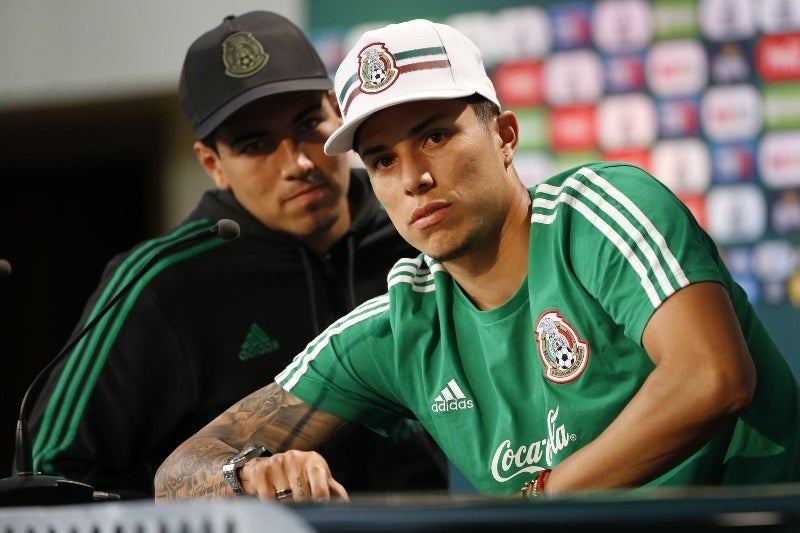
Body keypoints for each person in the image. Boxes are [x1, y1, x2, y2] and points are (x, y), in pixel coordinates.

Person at [154, 18, 800, 503]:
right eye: (381, 160)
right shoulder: (402, 322)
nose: (413, 178)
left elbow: (712, 377)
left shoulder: (599, 212)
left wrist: (535, 507)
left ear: (505, 135)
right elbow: (179, 471)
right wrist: (245, 472)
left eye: (435, 135)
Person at [27, 11, 448, 499]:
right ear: (212, 164)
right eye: (257, 145)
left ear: (339, 113)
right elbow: (52, 471)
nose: (299, 162)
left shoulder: (420, 225)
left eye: (310, 124)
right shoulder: (160, 283)